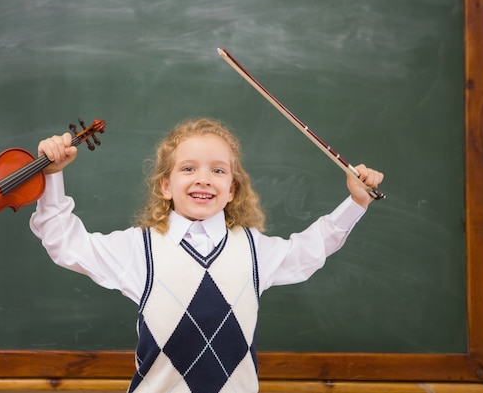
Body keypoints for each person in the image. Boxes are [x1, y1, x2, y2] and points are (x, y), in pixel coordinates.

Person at [30, 118, 384, 393]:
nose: (203, 179)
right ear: (165, 186)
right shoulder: (139, 248)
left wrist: (356, 202)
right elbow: (64, 242)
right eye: (188, 168)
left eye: (217, 170)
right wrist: (51, 176)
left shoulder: (254, 249)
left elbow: (313, 248)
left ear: (232, 189)